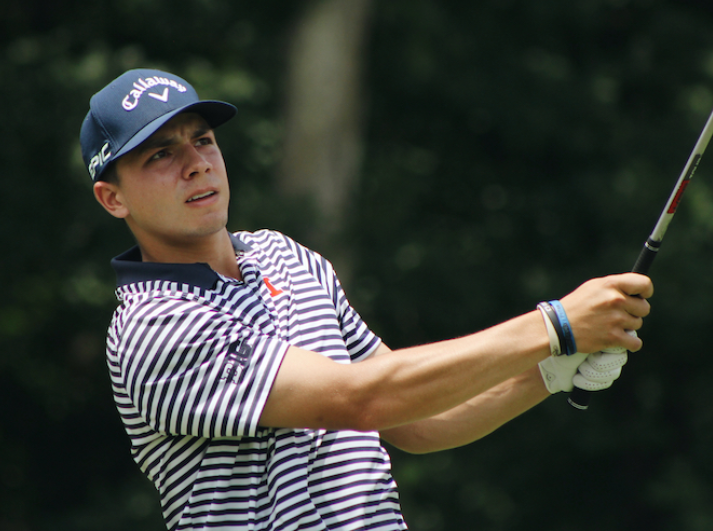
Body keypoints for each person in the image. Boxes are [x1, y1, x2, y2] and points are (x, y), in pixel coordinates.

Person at [81, 68, 654, 531]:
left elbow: (415, 420)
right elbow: (362, 400)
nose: (196, 162)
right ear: (113, 199)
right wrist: (554, 325)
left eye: (202, 139)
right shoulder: (154, 326)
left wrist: (551, 372)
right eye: (159, 154)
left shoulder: (284, 256)